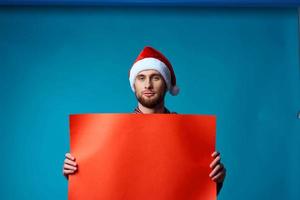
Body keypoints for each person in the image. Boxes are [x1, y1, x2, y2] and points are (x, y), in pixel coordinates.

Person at [63, 46, 226, 194]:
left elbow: (195, 190)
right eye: (141, 78)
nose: (148, 85)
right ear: (134, 84)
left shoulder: (189, 134)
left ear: (166, 84)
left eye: (155, 78)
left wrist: (216, 180)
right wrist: (76, 174)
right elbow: (101, 185)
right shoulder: (111, 135)